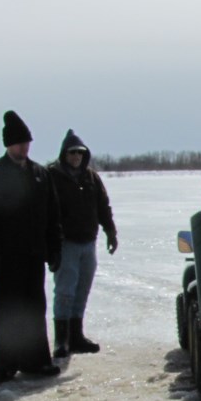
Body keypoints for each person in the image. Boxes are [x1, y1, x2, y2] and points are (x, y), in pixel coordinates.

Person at [0, 111, 62, 384]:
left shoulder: (40, 174)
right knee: (7, 310)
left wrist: (54, 249)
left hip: (33, 255)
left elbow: (52, 215)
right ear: (8, 145)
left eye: (27, 143)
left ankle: (36, 361)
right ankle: (4, 365)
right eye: (19, 144)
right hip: (4, 258)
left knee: (34, 308)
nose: (24, 148)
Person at [46, 129, 118, 358]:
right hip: (66, 243)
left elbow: (103, 206)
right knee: (65, 291)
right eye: (72, 152)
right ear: (64, 154)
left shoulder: (91, 177)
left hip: (88, 242)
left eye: (80, 152)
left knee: (82, 290)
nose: (76, 156)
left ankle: (76, 336)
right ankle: (61, 340)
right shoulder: (53, 176)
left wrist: (110, 231)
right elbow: (46, 211)